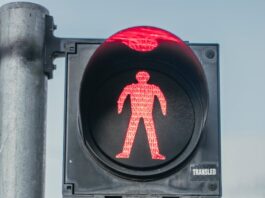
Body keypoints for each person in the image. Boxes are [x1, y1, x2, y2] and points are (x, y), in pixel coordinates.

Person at [116, 71, 167, 160]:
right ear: (137, 78)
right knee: (131, 132)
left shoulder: (152, 88)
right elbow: (122, 98)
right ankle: (125, 153)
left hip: (147, 113)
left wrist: (164, 110)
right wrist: (120, 107)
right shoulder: (132, 87)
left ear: (147, 78)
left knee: (150, 132)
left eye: (143, 77)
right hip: (136, 112)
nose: (142, 79)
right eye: (141, 77)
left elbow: (161, 98)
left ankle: (155, 154)